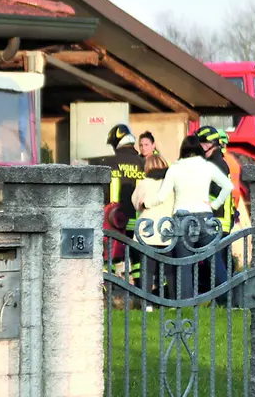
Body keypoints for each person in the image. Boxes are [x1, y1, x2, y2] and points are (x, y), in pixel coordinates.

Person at [145, 135, 233, 300]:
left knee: (184, 265)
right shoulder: (208, 167)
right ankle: (227, 299)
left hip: (182, 219)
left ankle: (186, 303)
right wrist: (215, 205)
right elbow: (228, 186)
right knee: (215, 262)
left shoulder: (175, 168)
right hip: (205, 217)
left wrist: (147, 203)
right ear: (199, 149)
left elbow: (162, 196)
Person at [89, 124, 146, 235]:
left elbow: (100, 192)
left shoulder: (107, 162)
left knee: (115, 252)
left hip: (114, 221)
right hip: (139, 223)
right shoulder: (143, 163)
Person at [131, 154, 174, 297]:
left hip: (147, 233)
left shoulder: (144, 183)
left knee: (147, 270)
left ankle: (147, 303)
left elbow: (136, 203)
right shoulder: (171, 183)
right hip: (166, 231)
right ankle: (173, 301)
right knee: (169, 270)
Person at [195, 126, 234, 234]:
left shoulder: (216, 164)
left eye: (199, 144)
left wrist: (212, 204)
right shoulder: (215, 161)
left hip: (218, 222)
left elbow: (220, 190)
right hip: (216, 221)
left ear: (208, 144)